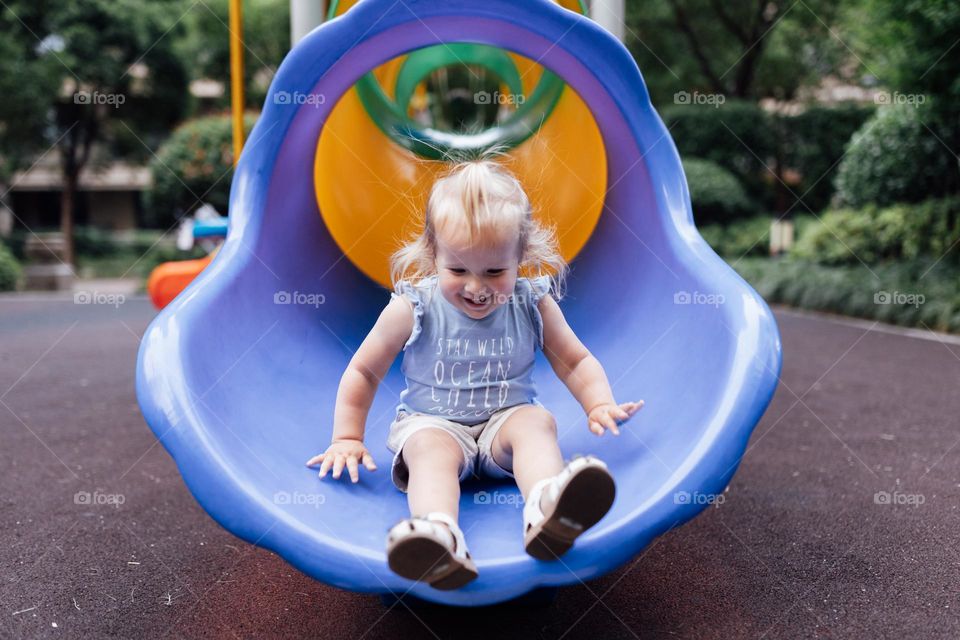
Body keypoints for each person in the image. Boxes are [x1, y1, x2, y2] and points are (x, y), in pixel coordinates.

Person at [306, 158, 643, 590]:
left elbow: (574, 360)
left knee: (535, 423)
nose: (476, 287)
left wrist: (598, 402)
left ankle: (548, 508)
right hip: (435, 422)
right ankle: (439, 537)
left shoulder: (531, 302)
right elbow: (364, 370)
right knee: (428, 451)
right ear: (434, 256)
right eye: (459, 270)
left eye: (495, 271)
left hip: (505, 422)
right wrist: (347, 437)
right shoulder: (415, 306)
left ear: (520, 256)